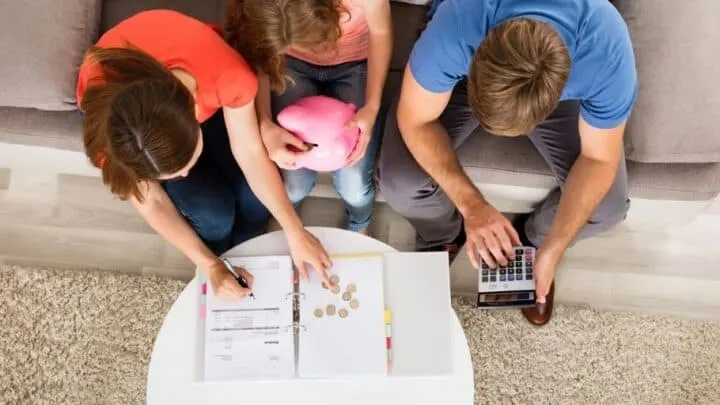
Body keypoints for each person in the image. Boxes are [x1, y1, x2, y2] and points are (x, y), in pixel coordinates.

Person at [378, 0, 637, 325]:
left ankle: (532, 242)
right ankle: (442, 234)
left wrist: (554, 246)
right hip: (468, 76)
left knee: (608, 206)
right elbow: (415, 120)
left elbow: (599, 159)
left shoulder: (605, 47)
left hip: (559, 93)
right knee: (399, 179)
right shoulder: (460, 22)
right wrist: (472, 206)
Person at [77, 9, 332, 300]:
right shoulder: (110, 132)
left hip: (201, 74)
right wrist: (210, 264)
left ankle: (245, 244)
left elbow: (249, 152)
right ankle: (223, 250)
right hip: (122, 105)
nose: (184, 175)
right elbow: (151, 200)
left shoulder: (228, 76)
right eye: (172, 175)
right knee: (213, 215)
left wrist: (295, 231)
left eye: (185, 165)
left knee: (252, 200)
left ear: (198, 116)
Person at [226, 0, 392, 235]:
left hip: (355, 63)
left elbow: (381, 31)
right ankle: (284, 217)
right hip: (290, 64)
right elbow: (261, 52)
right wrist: (265, 122)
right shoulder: (266, 20)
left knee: (353, 183)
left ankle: (359, 224)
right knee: (293, 183)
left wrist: (372, 107)